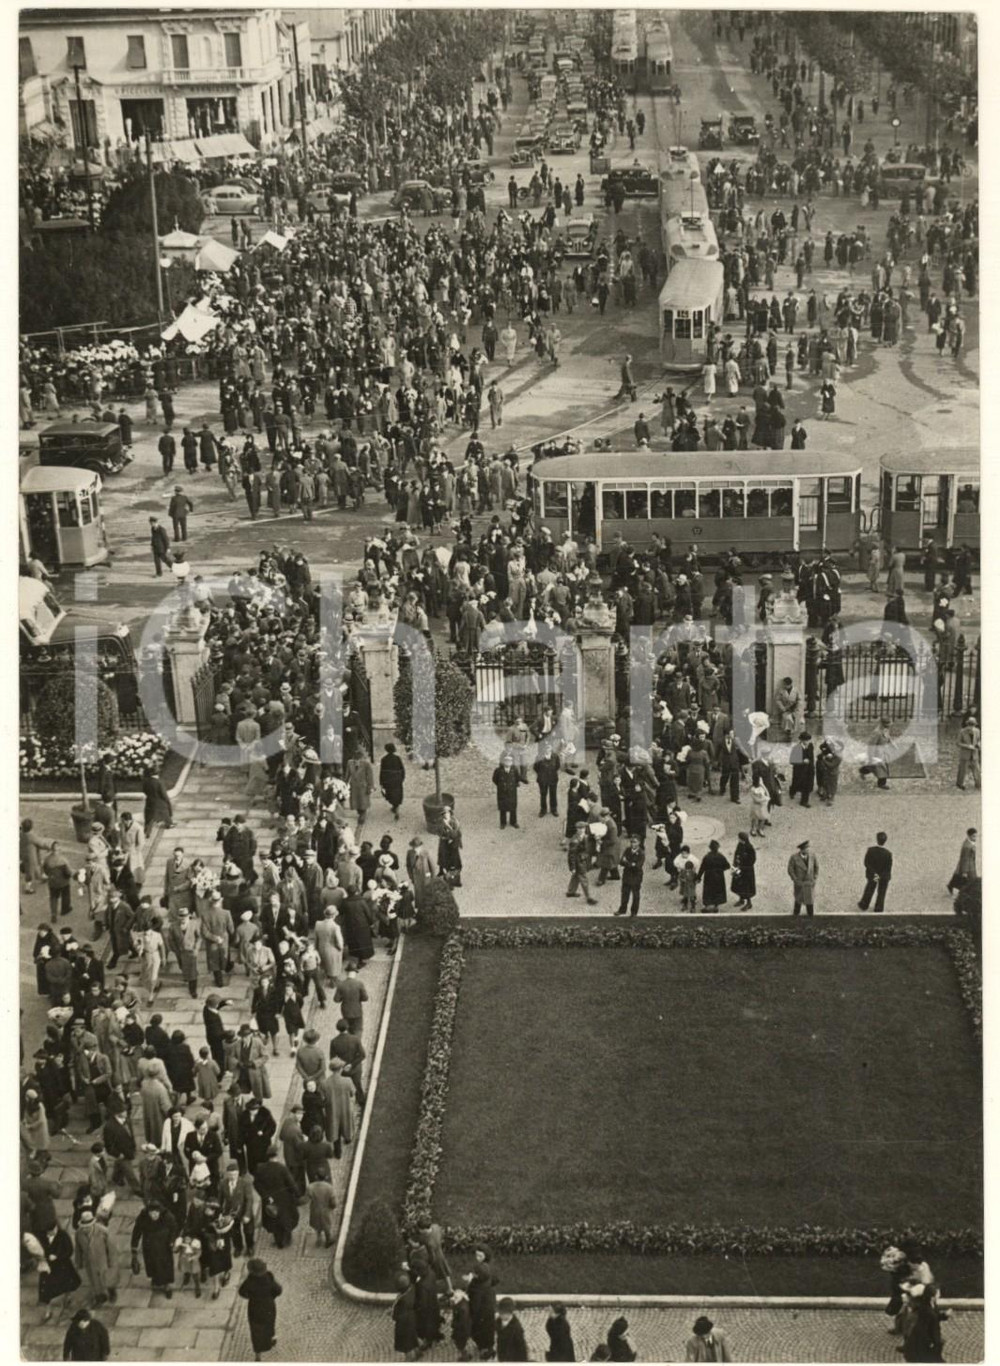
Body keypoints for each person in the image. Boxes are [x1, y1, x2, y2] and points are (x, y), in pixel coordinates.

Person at [239, 1258, 282, 1362]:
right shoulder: (269, 1277)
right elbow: (278, 1290)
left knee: (256, 1331)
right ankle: (270, 1338)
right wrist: (271, 1297)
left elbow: (242, 1292)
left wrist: (250, 1297)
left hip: (255, 1308)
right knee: (269, 1324)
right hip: (268, 1307)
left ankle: (258, 1355)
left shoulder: (250, 1281)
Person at [859, 831, 893, 912]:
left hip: (873, 874)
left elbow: (866, 862)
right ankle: (879, 908)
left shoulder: (870, 850)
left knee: (870, 888)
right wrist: (882, 875)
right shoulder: (888, 854)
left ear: (877, 839)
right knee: (881, 892)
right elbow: (888, 867)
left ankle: (864, 904)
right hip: (884, 876)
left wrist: (875, 874)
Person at [492, 752, 525, 829]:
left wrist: (513, 785)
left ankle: (513, 822)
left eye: (509, 761)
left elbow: (517, 779)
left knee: (513, 807)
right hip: (502, 792)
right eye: (506, 761)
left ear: (512, 762)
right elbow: (495, 779)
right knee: (502, 808)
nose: (508, 762)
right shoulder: (498, 771)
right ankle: (503, 823)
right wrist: (501, 786)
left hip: (512, 792)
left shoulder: (514, 770)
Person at [787, 839, 819, 916]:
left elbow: (816, 867)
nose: (808, 850)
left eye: (808, 848)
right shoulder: (794, 857)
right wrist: (795, 880)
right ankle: (795, 920)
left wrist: (814, 878)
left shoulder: (812, 856)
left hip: (809, 882)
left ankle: (811, 920)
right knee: (798, 901)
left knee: (809, 903)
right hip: (800, 883)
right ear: (801, 850)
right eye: (806, 849)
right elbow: (790, 870)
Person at [697, 839, 730, 912]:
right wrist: (720, 870)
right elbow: (727, 866)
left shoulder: (707, 857)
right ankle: (716, 906)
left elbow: (702, 868)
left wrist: (698, 877)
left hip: (709, 876)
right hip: (719, 877)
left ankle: (707, 907)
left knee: (708, 891)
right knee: (717, 890)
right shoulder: (721, 856)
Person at [616, 835, 645, 917]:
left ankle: (634, 912)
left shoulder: (641, 853)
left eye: (635, 842)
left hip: (636, 877)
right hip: (627, 875)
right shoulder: (627, 850)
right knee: (625, 893)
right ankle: (622, 910)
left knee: (635, 895)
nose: (632, 844)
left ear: (639, 843)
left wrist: (627, 862)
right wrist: (631, 864)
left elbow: (637, 866)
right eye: (631, 842)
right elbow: (621, 862)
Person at [496, 1297, 528, 1362]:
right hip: (501, 1357)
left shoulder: (516, 1328)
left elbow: (522, 1349)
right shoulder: (498, 1322)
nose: (500, 1315)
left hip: (512, 1359)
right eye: (500, 1312)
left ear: (510, 1313)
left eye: (503, 1313)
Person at [947, 828, 978, 895]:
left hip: (969, 865)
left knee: (958, 877)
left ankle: (951, 885)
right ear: (969, 836)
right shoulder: (967, 846)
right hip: (968, 867)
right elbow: (965, 859)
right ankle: (966, 893)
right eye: (973, 836)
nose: (975, 838)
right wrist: (965, 871)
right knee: (970, 880)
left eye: (976, 836)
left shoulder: (968, 843)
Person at [731, 832, 757, 910]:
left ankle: (749, 903)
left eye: (739, 838)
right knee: (739, 885)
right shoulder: (739, 845)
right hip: (739, 869)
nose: (738, 839)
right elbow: (736, 855)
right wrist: (735, 865)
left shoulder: (749, 847)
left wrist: (744, 866)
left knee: (747, 887)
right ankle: (741, 899)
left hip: (747, 871)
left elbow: (752, 859)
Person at [379, 743, 406, 818]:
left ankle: (394, 806)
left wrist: (381, 781)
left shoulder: (384, 759)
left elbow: (382, 771)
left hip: (388, 779)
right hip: (397, 779)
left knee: (390, 793)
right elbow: (402, 769)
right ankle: (396, 806)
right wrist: (402, 778)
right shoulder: (397, 758)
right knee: (397, 793)